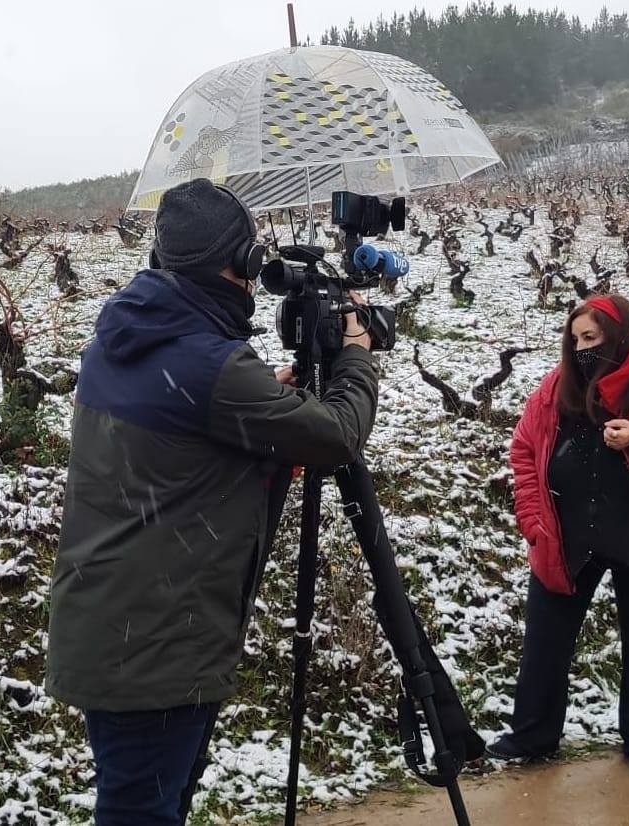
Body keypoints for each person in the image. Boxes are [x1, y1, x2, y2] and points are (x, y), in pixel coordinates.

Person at [45, 178, 379, 825]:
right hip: (156, 646)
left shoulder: (124, 337)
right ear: (229, 265)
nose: (255, 278)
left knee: (148, 800)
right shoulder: (210, 366)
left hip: (117, 623)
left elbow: (185, 427)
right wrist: (358, 356)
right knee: (141, 811)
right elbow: (336, 437)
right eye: (250, 259)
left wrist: (262, 396)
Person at [487, 294, 629, 775]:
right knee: (546, 641)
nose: (581, 348)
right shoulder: (558, 385)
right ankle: (534, 736)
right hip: (568, 536)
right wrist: (532, 520)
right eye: (575, 340)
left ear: (619, 335)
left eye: (591, 338)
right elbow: (525, 450)